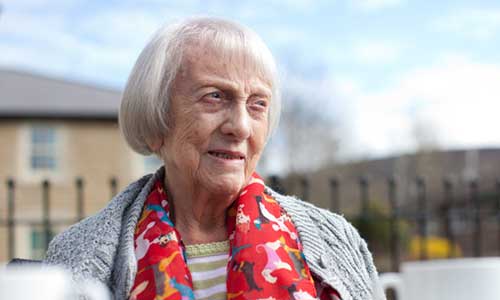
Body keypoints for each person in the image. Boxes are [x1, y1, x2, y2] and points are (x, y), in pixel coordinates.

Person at [44, 17, 385, 300]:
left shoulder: (337, 240)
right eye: (215, 97)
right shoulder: (77, 258)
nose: (240, 126)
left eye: (257, 104)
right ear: (157, 117)